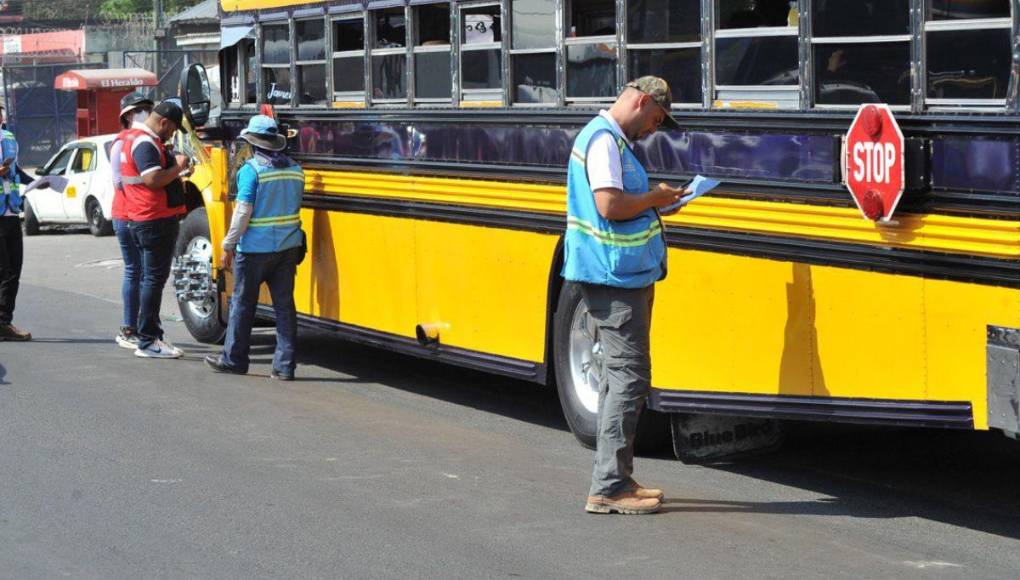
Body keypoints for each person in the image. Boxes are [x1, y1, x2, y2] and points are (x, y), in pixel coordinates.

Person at [564, 77, 686, 515]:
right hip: (611, 277)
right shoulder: (604, 143)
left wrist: (657, 203)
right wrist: (653, 196)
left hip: (622, 274)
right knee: (629, 376)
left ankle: (618, 477)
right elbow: (610, 206)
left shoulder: (613, 143)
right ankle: (608, 486)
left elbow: (624, 204)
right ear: (640, 101)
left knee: (624, 377)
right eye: (654, 119)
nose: (653, 130)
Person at [205, 115, 304, 380]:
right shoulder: (295, 169)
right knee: (285, 307)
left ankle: (234, 359)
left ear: (252, 143)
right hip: (288, 248)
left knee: (242, 304)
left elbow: (243, 212)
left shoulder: (251, 170)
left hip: (254, 252)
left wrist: (228, 244)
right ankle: (284, 366)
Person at [121, 99, 190, 358]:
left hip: (145, 217)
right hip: (153, 219)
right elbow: (152, 179)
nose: (171, 135)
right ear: (163, 122)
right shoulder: (145, 142)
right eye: (172, 129)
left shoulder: (138, 139)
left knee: (150, 278)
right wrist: (178, 167)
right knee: (153, 279)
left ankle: (151, 336)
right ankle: (148, 340)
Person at [110, 91, 154, 349]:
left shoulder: (143, 138)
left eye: (147, 109)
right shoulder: (121, 142)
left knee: (144, 272)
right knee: (135, 270)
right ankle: (130, 328)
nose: (145, 113)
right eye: (140, 110)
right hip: (127, 215)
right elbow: (119, 181)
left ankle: (140, 326)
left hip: (139, 214)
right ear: (127, 115)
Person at [0, 103, 30, 341]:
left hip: (11, 211)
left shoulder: (8, 138)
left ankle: (4, 321)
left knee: (13, 271)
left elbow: (16, 170)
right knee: (4, 270)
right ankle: (2, 323)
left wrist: (41, 180)